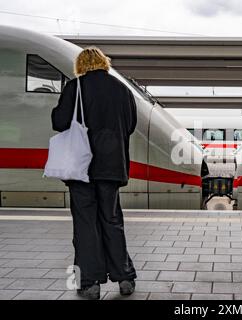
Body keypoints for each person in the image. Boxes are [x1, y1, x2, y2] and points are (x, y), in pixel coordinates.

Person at [51, 47, 137, 299]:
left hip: (81, 167)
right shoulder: (122, 89)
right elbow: (130, 125)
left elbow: (59, 122)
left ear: (81, 64)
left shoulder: (75, 87)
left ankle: (89, 284)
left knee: (85, 224)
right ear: (103, 63)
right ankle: (125, 278)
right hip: (111, 166)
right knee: (112, 221)